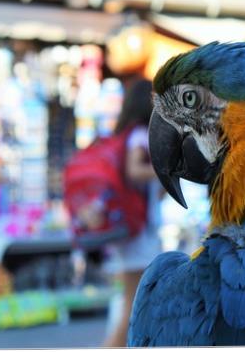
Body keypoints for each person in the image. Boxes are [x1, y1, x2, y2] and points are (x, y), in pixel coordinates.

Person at [102, 79, 163, 347]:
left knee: (129, 298)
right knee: (132, 301)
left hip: (133, 229)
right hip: (138, 233)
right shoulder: (139, 135)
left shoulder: (126, 134)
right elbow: (133, 170)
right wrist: (163, 170)